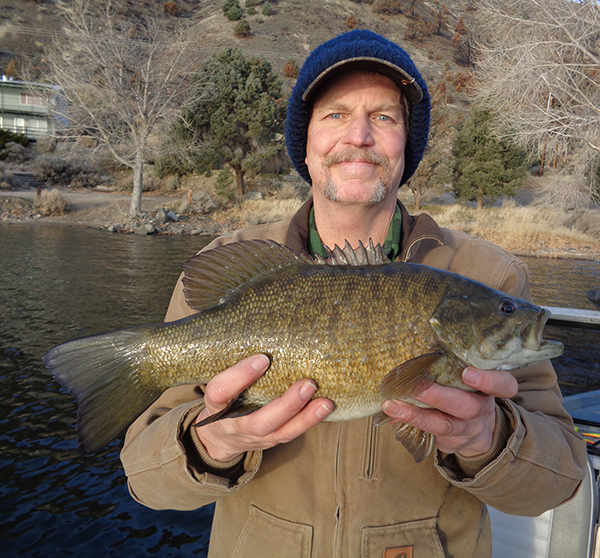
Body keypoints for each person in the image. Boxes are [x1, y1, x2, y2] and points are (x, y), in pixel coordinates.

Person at [121, 30, 587, 557]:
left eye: (384, 117)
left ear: (406, 143)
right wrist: (212, 443)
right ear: (307, 140)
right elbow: (146, 481)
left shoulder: (488, 273)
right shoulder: (229, 261)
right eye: (335, 114)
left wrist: (488, 440)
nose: (360, 135)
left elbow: (557, 483)